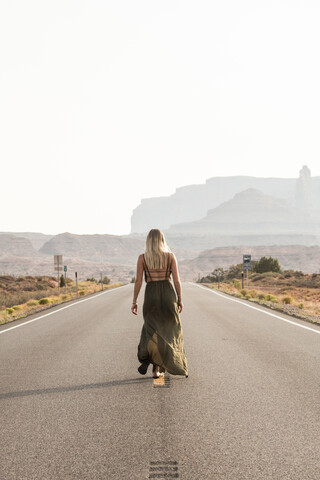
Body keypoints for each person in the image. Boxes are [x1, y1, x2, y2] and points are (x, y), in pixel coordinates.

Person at [131, 228, 188, 379]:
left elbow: (138, 281)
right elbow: (176, 280)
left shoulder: (142, 258)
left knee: (151, 330)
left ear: (148, 241)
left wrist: (134, 301)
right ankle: (161, 367)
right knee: (169, 330)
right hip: (168, 294)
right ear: (162, 240)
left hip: (151, 295)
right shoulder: (170, 257)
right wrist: (179, 299)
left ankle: (149, 360)